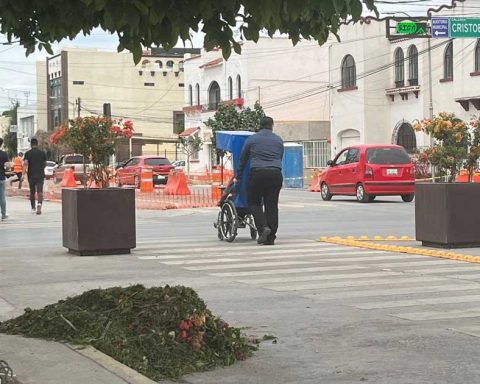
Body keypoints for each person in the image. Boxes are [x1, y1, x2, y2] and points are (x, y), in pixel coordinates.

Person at [235, 116, 284, 245]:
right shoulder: (278, 140)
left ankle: (263, 229)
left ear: (260, 125)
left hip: (258, 173)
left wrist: (238, 176)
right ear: (272, 126)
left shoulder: (252, 139)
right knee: (272, 206)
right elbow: (280, 157)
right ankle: (271, 238)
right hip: (275, 174)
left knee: (254, 203)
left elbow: (243, 159)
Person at [22, 138, 47, 215]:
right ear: (37, 144)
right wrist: (41, 168)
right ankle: (39, 203)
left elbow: (25, 164)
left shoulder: (28, 153)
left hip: (31, 175)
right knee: (40, 191)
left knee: (32, 191)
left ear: (31, 144)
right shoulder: (42, 153)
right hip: (40, 175)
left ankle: (33, 208)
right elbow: (45, 163)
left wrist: (23, 175)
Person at [0, 138, 11, 221]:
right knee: (2, 196)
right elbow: (8, 166)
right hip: (1, 178)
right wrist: (5, 170)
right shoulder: (4, 154)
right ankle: (3, 214)